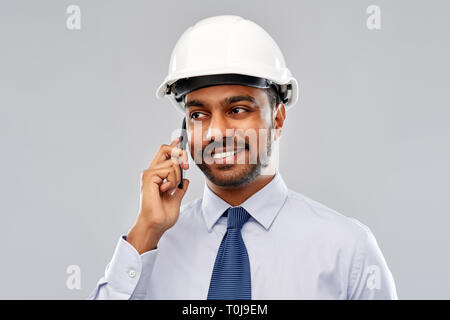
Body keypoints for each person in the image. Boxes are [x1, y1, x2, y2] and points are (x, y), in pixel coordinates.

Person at [89, 15, 398, 300]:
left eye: (237, 110)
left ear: (277, 118)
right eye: (198, 114)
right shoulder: (150, 248)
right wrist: (145, 231)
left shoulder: (347, 250)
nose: (216, 132)